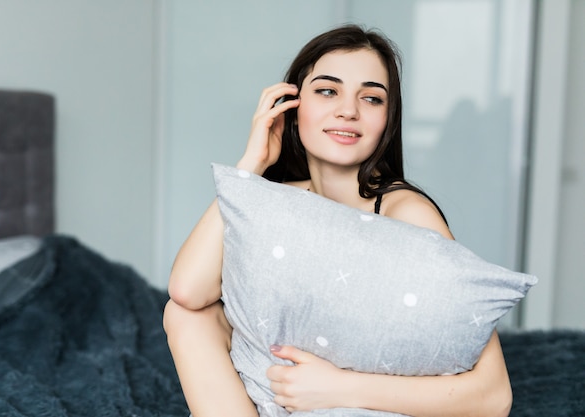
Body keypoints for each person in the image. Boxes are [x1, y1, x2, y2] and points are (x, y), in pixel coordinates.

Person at [163, 24, 512, 417]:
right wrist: (250, 168)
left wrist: (337, 388)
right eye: (328, 90)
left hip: (354, 402)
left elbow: (494, 397)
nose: (348, 110)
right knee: (186, 315)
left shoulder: (407, 213)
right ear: (292, 108)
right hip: (276, 396)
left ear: (387, 120)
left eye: (372, 98)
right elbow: (187, 293)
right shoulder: (276, 201)